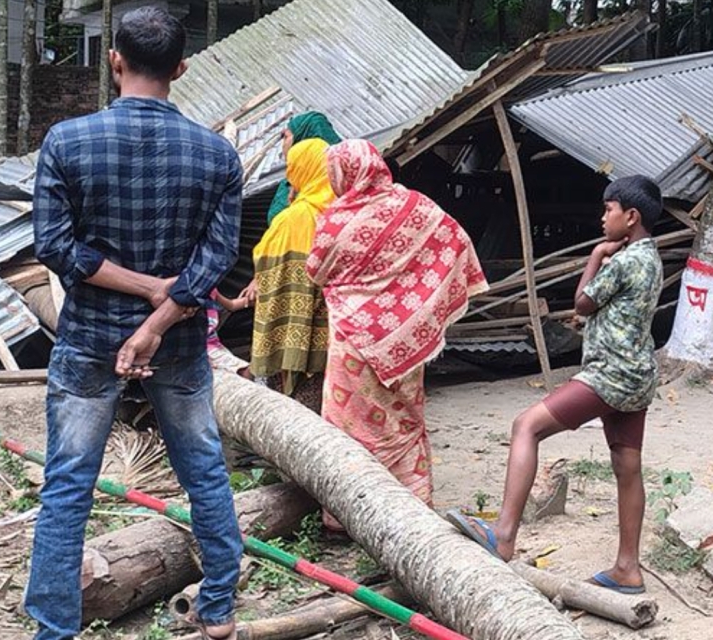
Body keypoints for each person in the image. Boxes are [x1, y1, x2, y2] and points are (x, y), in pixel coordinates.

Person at [25, 7, 243, 640]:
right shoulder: (217, 155)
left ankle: (54, 629)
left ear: (114, 60)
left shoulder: (66, 141)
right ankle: (220, 608)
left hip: (89, 338)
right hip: (176, 343)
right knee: (203, 469)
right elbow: (217, 257)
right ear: (180, 68)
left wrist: (139, 297)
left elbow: (54, 247)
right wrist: (160, 309)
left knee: (67, 487)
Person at [446, 175, 664, 595]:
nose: (603, 218)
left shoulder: (621, 260)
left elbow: (582, 304)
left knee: (526, 426)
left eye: (608, 209)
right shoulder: (651, 258)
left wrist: (596, 257)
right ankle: (627, 568)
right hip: (638, 376)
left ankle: (504, 535)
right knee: (626, 466)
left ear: (630, 216)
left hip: (609, 375)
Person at [306, 139, 488, 524]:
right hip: (405, 338)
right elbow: (455, 240)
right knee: (404, 416)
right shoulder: (416, 207)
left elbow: (316, 271)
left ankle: (349, 513)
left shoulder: (335, 220)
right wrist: (418, 304)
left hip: (352, 339)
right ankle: (412, 503)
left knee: (348, 422)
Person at [250, 137, 335, 411]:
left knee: (294, 413)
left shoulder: (292, 219)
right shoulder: (343, 212)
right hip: (333, 338)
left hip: (290, 338)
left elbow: (266, 265)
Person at [266, 111, 342, 224]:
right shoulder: (293, 179)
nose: (283, 145)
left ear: (302, 141)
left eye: (286, 137)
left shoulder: (339, 185)